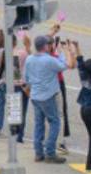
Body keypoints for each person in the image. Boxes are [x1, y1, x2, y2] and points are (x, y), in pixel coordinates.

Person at [24, 34, 75, 163]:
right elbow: (66, 65)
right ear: (45, 46)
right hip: (48, 96)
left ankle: (38, 153)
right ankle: (50, 152)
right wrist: (64, 52)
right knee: (54, 122)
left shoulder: (29, 59)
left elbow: (27, 78)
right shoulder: (49, 60)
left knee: (39, 124)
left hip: (35, 96)